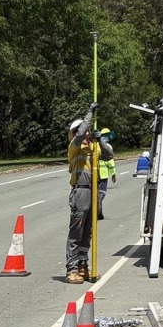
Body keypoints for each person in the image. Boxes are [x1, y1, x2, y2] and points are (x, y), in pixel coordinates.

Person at [65, 106, 112, 283]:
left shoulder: (94, 148)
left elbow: (109, 155)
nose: (86, 133)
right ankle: (72, 270)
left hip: (94, 191)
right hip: (81, 190)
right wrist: (90, 114)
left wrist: (100, 141)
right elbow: (80, 133)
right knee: (76, 231)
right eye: (82, 130)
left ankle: (83, 266)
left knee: (88, 232)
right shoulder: (74, 147)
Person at [96, 129, 116, 220]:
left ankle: (96, 209)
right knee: (101, 193)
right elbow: (110, 162)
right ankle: (98, 207)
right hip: (103, 174)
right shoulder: (107, 146)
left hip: (94, 174)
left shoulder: (95, 145)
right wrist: (113, 174)